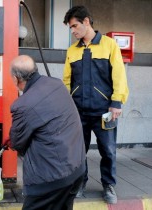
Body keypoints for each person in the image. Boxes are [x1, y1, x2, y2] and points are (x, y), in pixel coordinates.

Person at [63, 6, 129, 204]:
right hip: (78, 111)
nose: (73, 31)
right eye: (70, 28)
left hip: (104, 110)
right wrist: (66, 105)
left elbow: (119, 75)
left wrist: (116, 102)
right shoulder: (72, 51)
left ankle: (108, 185)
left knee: (108, 150)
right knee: (77, 152)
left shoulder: (109, 45)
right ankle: (80, 182)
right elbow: (67, 80)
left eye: (75, 26)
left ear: (86, 22)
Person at [7, 55, 86, 210]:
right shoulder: (57, 83)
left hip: (51, 179)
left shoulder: (23, 105)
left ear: (16, 79)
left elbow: (17, 143)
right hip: (77, 168)